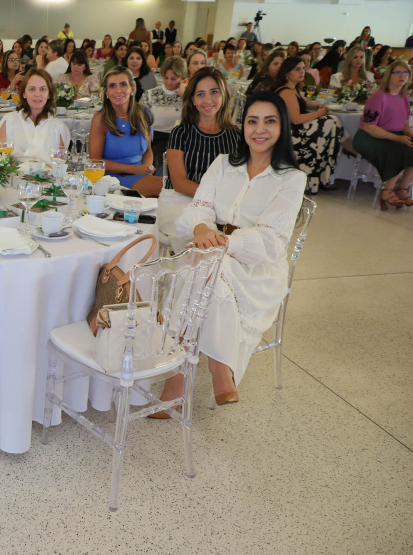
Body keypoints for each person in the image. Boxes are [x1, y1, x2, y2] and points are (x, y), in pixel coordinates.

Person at [147, 91, 305, 414]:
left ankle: (176, 381)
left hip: (256, 269)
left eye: (270, 122)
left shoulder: (291, 179)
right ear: (243, 126)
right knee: (208, 266)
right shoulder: (223, 165)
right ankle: (221, 366)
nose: (259, 130)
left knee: (201, 268)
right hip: (211, 255)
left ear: (282, 128)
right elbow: (199, 208)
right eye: (252, 121)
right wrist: (203, 230)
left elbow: (273, 242)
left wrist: (223, 243)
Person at [157, 67, 240, 252]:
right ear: (193, 100)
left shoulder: (236, 136)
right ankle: (189, 279)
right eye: (200, 94)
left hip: (220, 206)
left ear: (224, 95)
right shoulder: (181, 132)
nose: (208, 100)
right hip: (179, 201)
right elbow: (179, 183)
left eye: (214, 92)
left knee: (231, 242)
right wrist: (214, 200)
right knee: (203, 243)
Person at [275, 56, 348, 194]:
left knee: (332, 122)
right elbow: (295, 119)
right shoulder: (286, 91)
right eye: (297, 69)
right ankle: (347, 147)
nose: (302, 72)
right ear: (287, 73)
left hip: (297, 130)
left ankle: (325, 175)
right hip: (291, 134)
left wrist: (318, 106)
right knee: (332, 122)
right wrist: (319, 114)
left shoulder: (294, 88)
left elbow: (305, 102)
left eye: (303, 68)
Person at [88, 66, 163, 197]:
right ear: (106, 92)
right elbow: (96, 162)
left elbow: (148, 150)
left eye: (123, 85)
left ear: (132, 89)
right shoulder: (100, 120)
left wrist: (147, 168)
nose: (118, 91)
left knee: (170, 191)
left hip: (140, 176)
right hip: (111, 179)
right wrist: (134, 170)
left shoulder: (144, 114)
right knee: (168, 189)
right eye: (112, 86)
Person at [353, 60, 413, 209]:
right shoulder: (379, 97)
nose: (402, 76)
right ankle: (387, 191)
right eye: (398, 73)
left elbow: (404, 124)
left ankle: (402, 188)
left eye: (406, 73)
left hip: (395, 135)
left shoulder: (404, 98)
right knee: (397, 150)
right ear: (389, 75)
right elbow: (369, 127)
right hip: (369, 137)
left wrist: (409, 135)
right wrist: (398, 138)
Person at [0, 68, 69, 163]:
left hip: (47, 177)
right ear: (24, 93)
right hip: (14, 175)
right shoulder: (9, 121)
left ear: (49, 94)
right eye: (32, 89)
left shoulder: (58, 126)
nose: (37, 94)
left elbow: (59, 166)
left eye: (43, 89)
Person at [142, 56, 187, 172]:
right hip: (155, 138)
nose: (168, 82)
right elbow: (141, 120)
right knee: (159, 157)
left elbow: (196, 116)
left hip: (181, 138)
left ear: (182, 77)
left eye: (173, 78)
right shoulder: (151, 94)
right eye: (166, 77)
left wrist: (184, 95)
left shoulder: (189, 94)